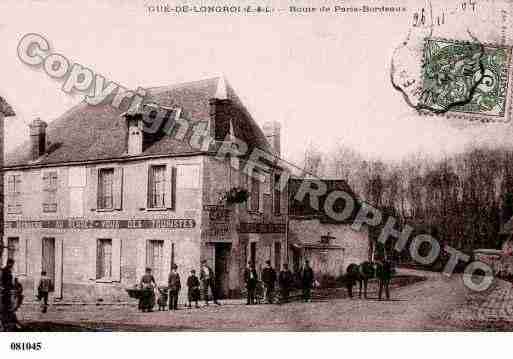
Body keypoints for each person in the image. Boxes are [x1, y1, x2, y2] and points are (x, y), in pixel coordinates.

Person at [0, 259, 23, 331]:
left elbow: (12, 281)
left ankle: (11, 322)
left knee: (9, 307)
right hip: (5, 291)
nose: (12, 265)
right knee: (6, 307)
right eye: (12, 264)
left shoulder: (9, 271)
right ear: (9, 263)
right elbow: (2, 281)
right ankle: (6, 324)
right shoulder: (4, 270)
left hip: (8, 290)